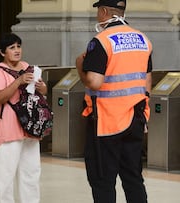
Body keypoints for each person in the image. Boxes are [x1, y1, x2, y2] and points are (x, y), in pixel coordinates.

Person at [75, 0, 152, 202]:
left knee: (103, 180)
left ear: (104, 11)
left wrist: (79, 68)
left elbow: (94, 81)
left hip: (106, 122)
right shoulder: (143, 39)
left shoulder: (101, 41)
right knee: (133, 177)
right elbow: (147, 78)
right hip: (135, 118)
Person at [0, 33, 47, 203]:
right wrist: (19, 81)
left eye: (18, 46)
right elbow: (0, 97)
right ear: (2, 52)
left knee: (31, 172)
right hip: (8, 127)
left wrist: (41, 85)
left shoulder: (27, 66)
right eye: (12, 47)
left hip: (29, 127)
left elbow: (42, 92)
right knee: (5, 175)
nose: (17, 50)